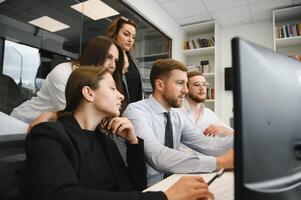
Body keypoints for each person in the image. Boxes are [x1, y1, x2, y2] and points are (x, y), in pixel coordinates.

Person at [25, 67, 215, 200]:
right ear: (89, 93)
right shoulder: (48, 135)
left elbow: (133, 188)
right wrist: (165, 197)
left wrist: (133, 143)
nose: (121, 95)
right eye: (113, 88)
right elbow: (62, 196)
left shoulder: (105, 140)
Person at [123, 59, 233, 186]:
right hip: (144, 190)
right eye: (180, 83)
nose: (186, 90)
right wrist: (219, 162)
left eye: (186, 84)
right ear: (159, 85)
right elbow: (158, 156)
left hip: (171, 184)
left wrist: (244, 141)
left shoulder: (176, 116)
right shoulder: (136, 111)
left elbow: (206, 144)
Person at [11, 36, 121, 124]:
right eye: (109, 57)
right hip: (22, 124)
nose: (113, 66)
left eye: (116, 61)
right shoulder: (63, 73)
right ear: (95, 55)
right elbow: (75, 117)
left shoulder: (94, 80)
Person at [182, 71, 234, 136]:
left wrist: (223, 129)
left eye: (204, 84)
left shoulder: (209, 114)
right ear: (186, 88)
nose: (202, 88)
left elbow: (233, 134)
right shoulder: (175, 112)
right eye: (197, 84)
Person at [107, 16, 143, 103]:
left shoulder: (134, 61)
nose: (130, 40)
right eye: (126, 34)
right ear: (115, 33)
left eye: (133, 37)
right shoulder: (107, 56)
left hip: (133, 111)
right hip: (115, 108)